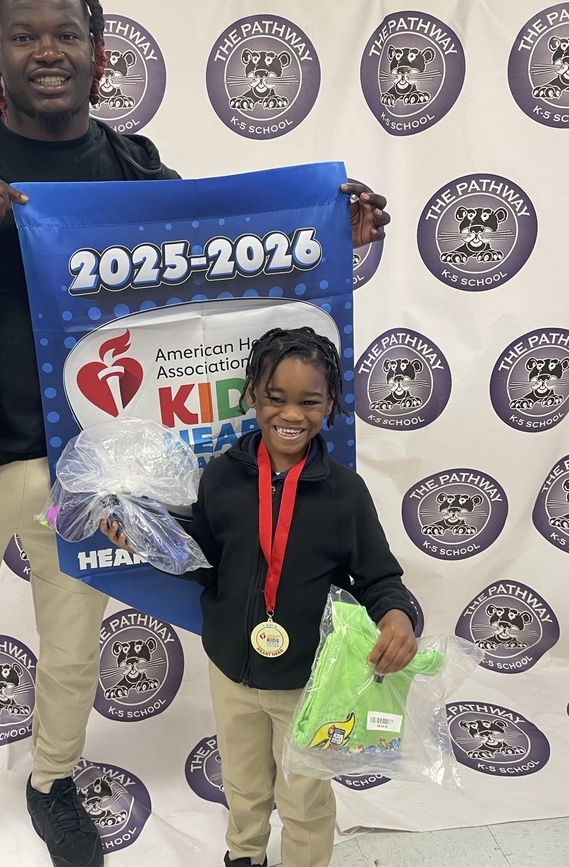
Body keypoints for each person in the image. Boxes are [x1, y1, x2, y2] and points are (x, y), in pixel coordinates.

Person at [0, 0, 391, 867]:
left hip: (94, 474)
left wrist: (330, 238)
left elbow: (214, 274)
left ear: (99, 59)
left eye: (66, 35)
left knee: (72, 648)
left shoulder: (132, 168)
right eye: (24, 35)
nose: (46, 50)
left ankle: (53, 783)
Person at [102, 326, 418, 867]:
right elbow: (203, 561)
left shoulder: (344, 493)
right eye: (276, 397)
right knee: (244, 788)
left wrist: (398, 617)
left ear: (330, 404)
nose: (290, 414)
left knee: (304, 799)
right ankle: (243, 857)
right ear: (251, 393)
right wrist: (152, 544)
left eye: (309, 401)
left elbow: (380, 578)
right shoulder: (222, 477)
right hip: (231, 672)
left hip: (309, 683)